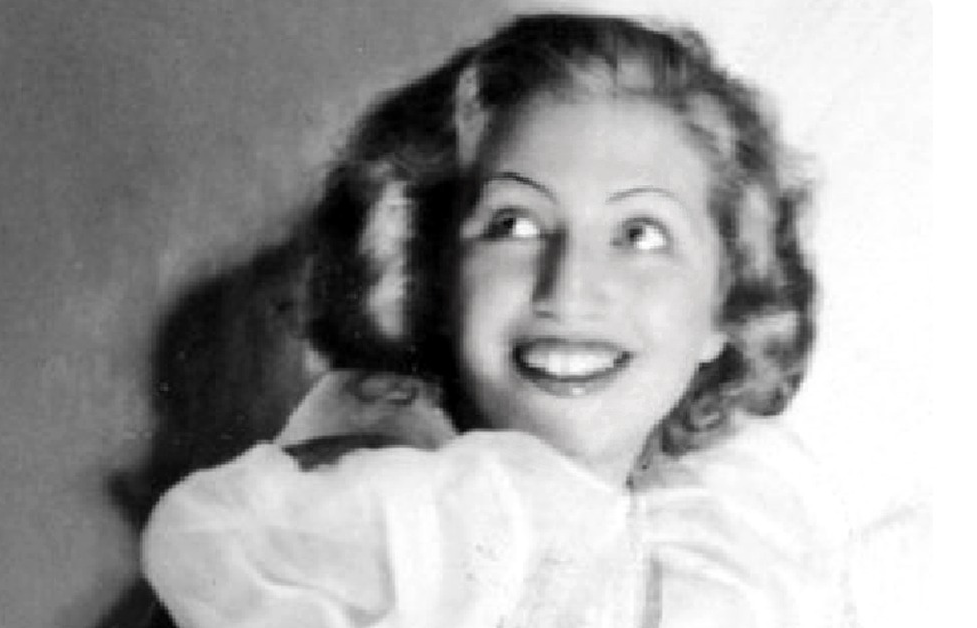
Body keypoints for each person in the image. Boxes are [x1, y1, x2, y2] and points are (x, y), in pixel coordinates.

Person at [141, 12, 853, 627]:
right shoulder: (344, 543)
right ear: (433, 272)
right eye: (515, 224)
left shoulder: (736, 545)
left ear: (728, 302)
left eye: (640, 235)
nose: (570, 289)